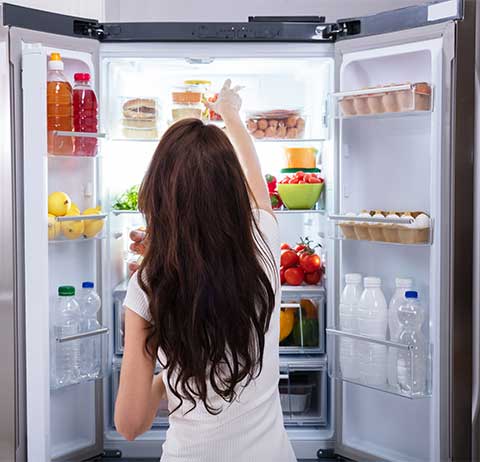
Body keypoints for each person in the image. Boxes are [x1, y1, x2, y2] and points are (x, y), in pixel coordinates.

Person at [114, 80, 297, 462]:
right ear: (232, 191)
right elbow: (257, 182)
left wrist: (171, 376)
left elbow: (130, 424)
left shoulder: (147, 286)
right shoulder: (265, 241)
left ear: (160, 195)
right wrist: (231, 114)